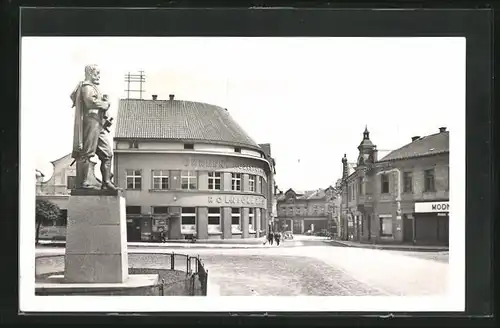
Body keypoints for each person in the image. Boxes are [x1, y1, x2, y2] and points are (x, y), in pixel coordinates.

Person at [70, 64, 119, 191]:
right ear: (90, 73)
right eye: (96, 73)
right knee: (87, 152)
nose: (98, 76)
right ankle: (83, 182)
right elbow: (90, 102)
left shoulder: (94, 87)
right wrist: (106, 104)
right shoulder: (87, 87)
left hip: (99, 123)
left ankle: (106, 182)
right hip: (91, 122)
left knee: (107, 154)